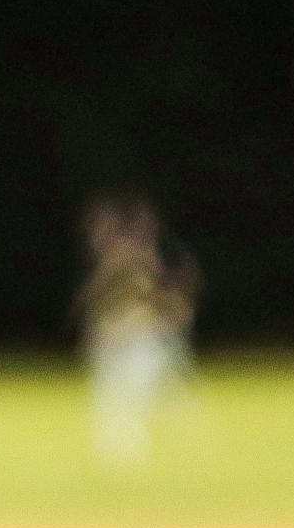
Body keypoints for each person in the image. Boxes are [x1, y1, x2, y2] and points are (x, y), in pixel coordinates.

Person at [75, 192, 200, 464]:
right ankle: (124, 450)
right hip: (118, 337)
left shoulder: (143, 261)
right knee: (118, 396)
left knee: (150, 390)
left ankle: (177, 437)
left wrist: (169, 312)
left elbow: (167, 295)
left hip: (144, 337)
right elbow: (99, 303)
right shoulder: (117, 265)